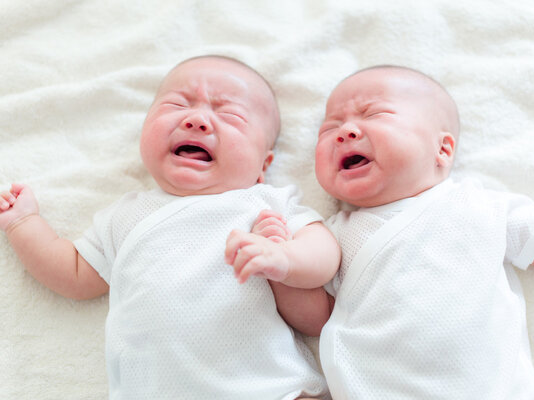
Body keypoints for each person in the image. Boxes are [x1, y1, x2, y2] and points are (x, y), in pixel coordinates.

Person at [0, 55, 340, 400]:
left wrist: (287, 260)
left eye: (229, 115)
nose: (197, 120)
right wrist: (24, 224)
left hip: (271, 389)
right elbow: (72, 273)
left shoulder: (263, 204)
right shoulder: (126, 215)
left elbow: (324, 253)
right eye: (177, 105)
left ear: (262, 164)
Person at [252, 65, 534, 399]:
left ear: (442, 149)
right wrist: (282, 270)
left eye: (374, 115)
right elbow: (318, 319)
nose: (345, 131)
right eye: (329, 129)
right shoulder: (332, 235)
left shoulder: (477, 205)